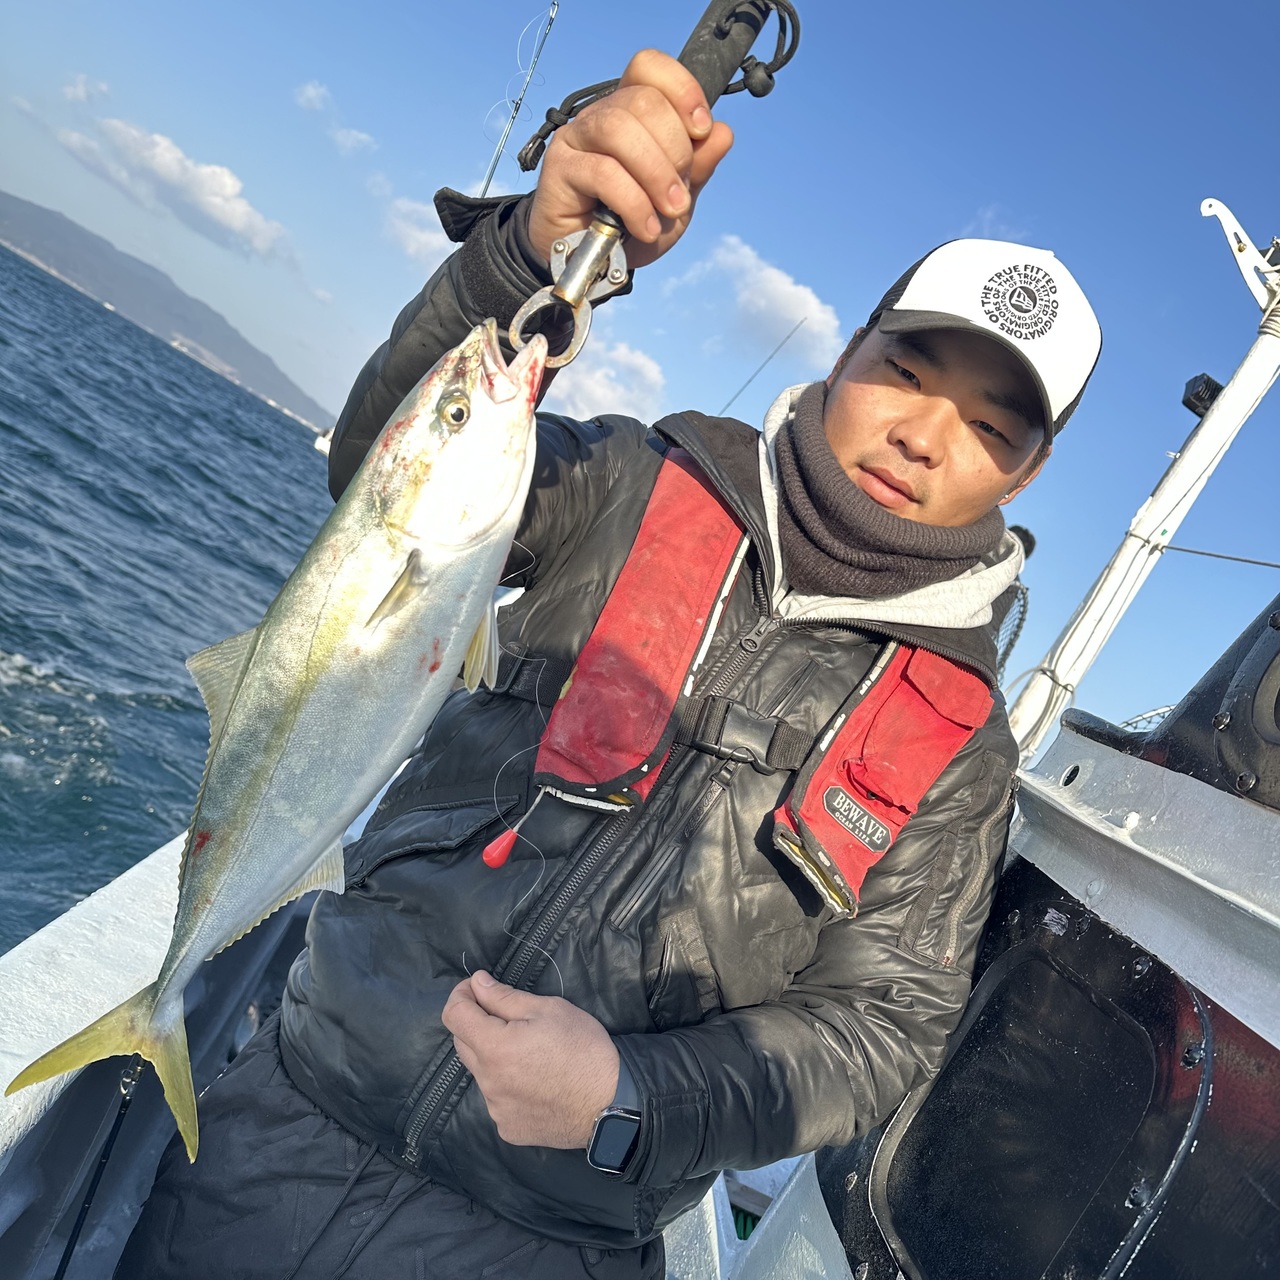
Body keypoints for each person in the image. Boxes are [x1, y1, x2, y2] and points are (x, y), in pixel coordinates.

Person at [117, 48, 1101, 1280]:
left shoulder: (959, 744)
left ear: (1027, 472)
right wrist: (526, 254)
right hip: (283, 1115)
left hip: (549, 1244)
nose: (922, 433)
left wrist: (630, 1093)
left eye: (991, 425)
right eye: (905, 370)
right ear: (849, 348)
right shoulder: (634, 479)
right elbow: (383, 471)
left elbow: (877, 1027)